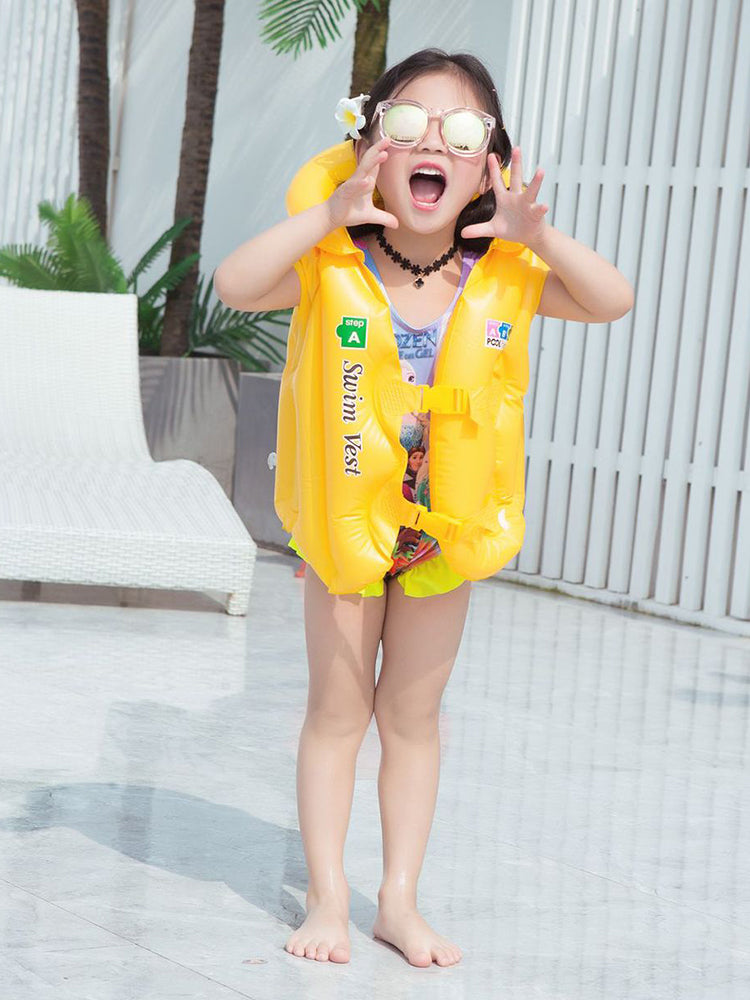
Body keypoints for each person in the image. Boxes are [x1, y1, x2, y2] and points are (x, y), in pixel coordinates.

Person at [214, 48, 633, 969]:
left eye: (464, 132)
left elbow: (613, 300)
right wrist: (325, 214)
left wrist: (537, 236)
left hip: (446, 528)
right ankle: (328, 895)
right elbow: (235, 285)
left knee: (413, 717)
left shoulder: (504, 274)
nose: (433, 144)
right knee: (337, 710)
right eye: (407, 124)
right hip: (346, 521)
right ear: (372, 147)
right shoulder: (332, 263)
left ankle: (397, 899)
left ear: (490, 167)